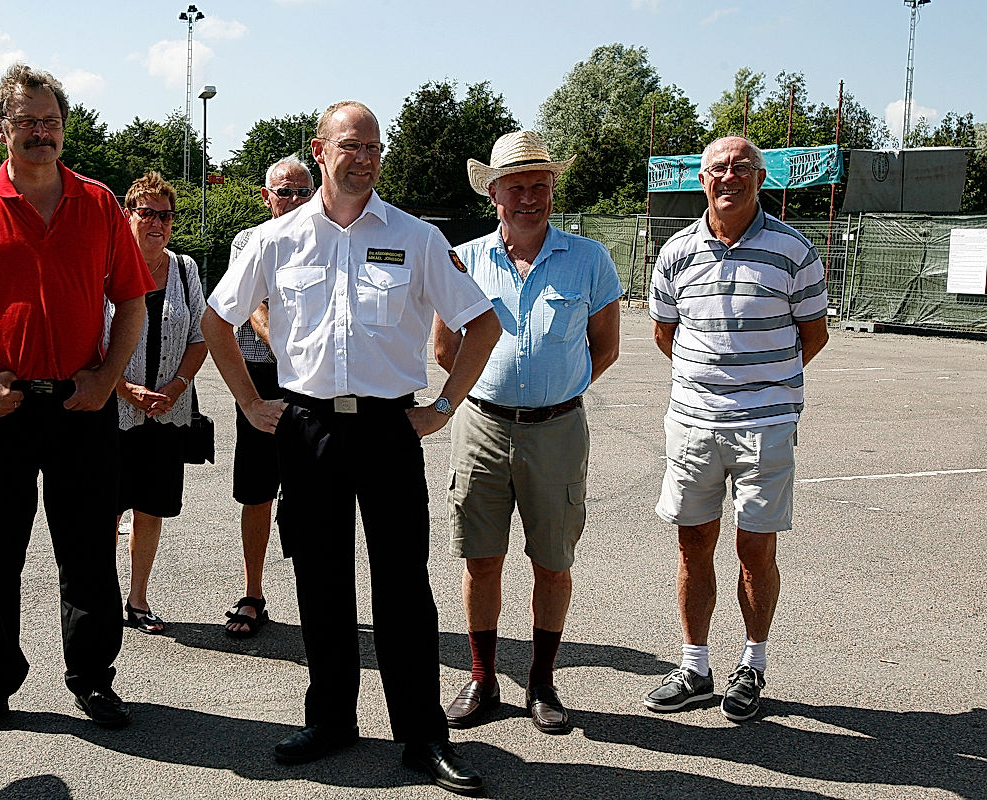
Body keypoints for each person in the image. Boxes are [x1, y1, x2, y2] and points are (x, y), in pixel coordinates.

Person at [202, 101, 501, 796]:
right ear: (320, 149)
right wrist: (251, 401)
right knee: (321, 580)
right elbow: (219, 321)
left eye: (373, 146)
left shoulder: (417, 237)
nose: (363, 157)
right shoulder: (277, 239)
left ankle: (422, 736)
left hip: (389, 430)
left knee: (403, 586)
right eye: (350, 145)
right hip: (307, 430)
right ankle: (331, 719)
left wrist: (442, 407)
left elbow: (480, 324)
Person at [0, 64, 152, 741]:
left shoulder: (100, 204)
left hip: (83, 407)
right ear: (1, 129)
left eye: (50, 121)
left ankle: (93, 679)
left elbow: (131, 299)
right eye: (26, 121)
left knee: (86, 551)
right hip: (0, 406)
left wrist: (108, 378)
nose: (40, 132)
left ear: (63, 126)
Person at [434, 131, 623, 736]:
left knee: (553, 562)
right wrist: (498, 386)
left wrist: (551, 388)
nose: (531, 197)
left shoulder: (589, 259)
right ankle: (483, 677)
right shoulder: (463, 259)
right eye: (517, 186)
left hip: (557, 431)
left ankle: (541, 682)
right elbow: (445, 348)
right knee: (480, 559)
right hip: (481, 425)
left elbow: (606, 346)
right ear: (494, 193)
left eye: (540, 185)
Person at [643, 135, 829, 722]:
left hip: (765, 428)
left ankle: (752, 665)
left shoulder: (793, 251)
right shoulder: (676, 252)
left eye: (742, 167)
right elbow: (665, 334)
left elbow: (812, 335)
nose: (730, 176)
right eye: (718, 168)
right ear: (702, 179)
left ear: (759, 178)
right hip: (694, 424)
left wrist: (761, 389)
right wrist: (710, 385)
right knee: (692, 545)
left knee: (756, 548)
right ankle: (695, 667)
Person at [110, 171, 208, 635]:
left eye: (165, 215)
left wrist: (176, 387)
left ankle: (138, 599)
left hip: (168, 412)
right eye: (147, 212)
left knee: (150, 509)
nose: (158, 223)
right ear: (128, 215)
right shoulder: (105, 266)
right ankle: (100, 598)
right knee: (105, 508)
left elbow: (201, 336)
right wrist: (125, 390)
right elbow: (88, 343)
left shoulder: (185, 270)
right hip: (111, 411)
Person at [223, 155, 315, 638]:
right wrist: (286, 348)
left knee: (310, 492)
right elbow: (253, 306)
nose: (295, 201)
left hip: (312, 382)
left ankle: (317, 598)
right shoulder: (250, 240)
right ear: (266, 196)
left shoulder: (326, 235)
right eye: (285, 192)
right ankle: (253, 592)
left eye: (303, 191)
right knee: (257, 491)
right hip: (263, 375)